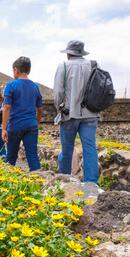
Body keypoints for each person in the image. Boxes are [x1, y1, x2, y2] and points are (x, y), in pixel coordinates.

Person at [54, 40, 100, 184]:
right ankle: (91, 184)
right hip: (91, 114)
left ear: (68, 53)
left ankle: (65, 181)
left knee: (67, 151)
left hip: (69, 114)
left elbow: (58, 93)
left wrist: (59, 108)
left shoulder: (64, 66)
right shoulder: (94, 65)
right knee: (90, 149)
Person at [2, 57, 43, 172]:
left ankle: (7, 183)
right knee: (32, 156)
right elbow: (40, 108)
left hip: (15, 125)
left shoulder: (11, 85)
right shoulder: (35, 87)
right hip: (31, 125)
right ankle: (38, 182)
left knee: (11, 157)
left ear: (16, 70)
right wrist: (37, 123)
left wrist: (4, 129)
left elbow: (7, 107)